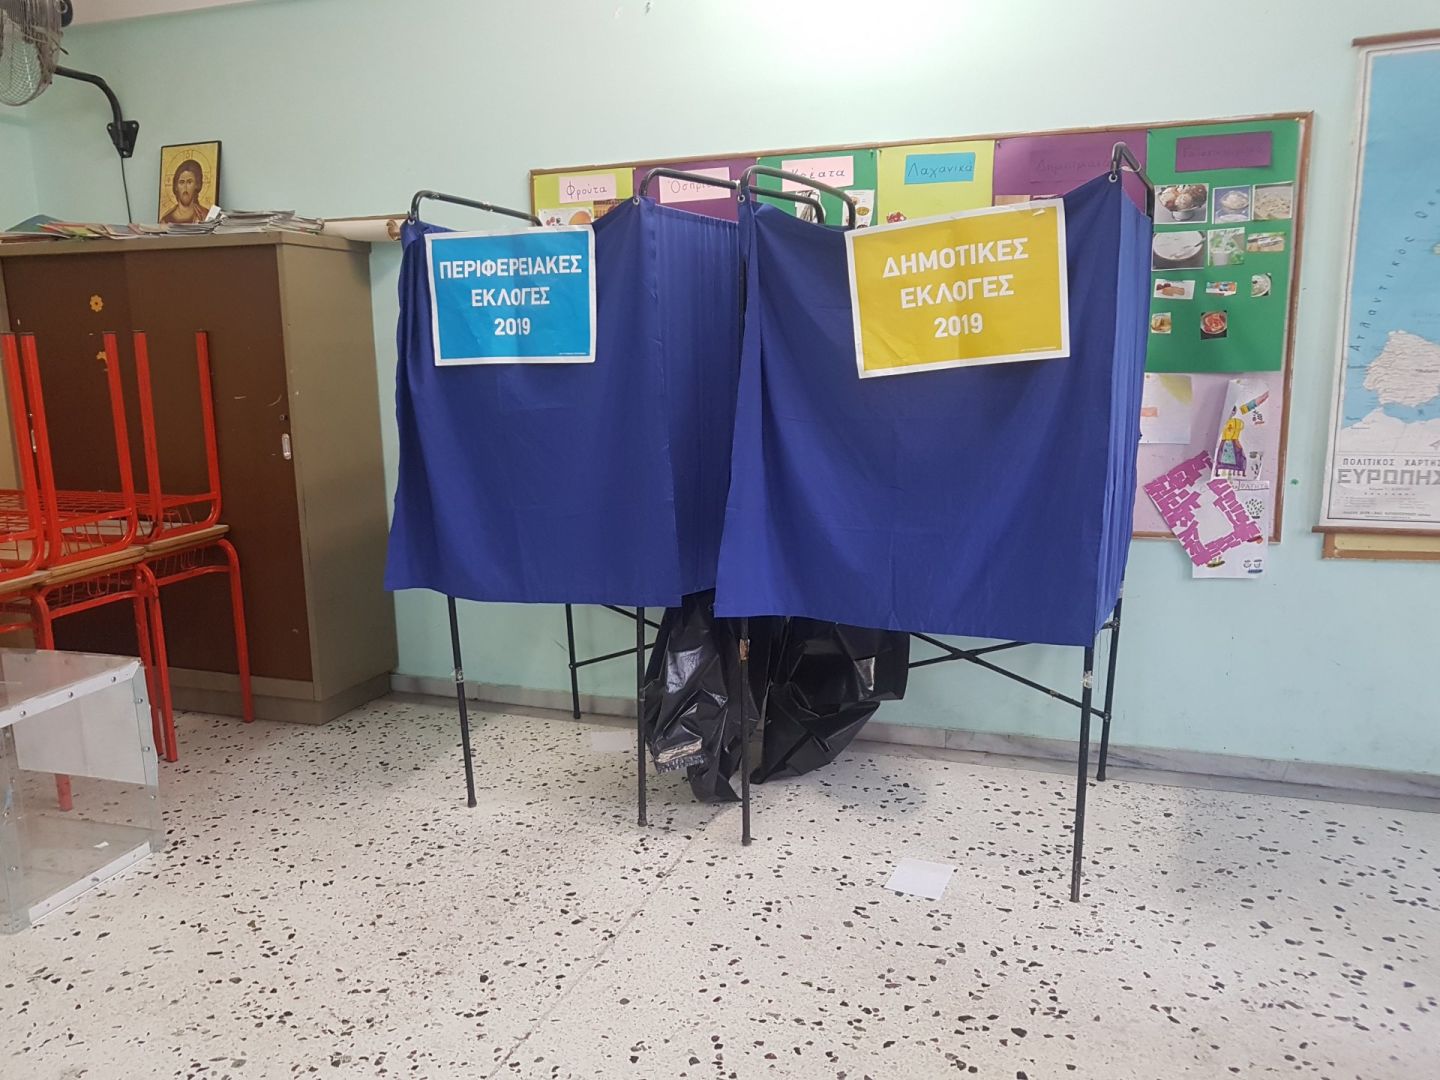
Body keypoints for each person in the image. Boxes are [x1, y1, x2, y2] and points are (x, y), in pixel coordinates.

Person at [161, 159, 212, 224]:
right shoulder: (166, 219)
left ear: (196, 185)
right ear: (176, 187)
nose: (185, 187)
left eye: (189, 182)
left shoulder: (205, 216)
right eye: (181, 182)